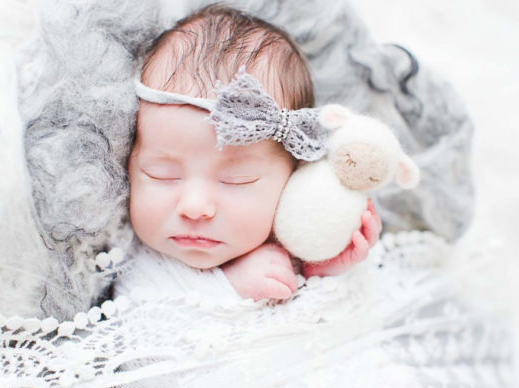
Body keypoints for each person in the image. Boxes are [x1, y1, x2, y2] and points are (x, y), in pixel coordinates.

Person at [114, 4, 382, 302]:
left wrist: (319, 270)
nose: (194, 206)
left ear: (294, 175)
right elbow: (138, 321)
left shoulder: (287, 238)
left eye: (236, 180)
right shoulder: (137, 257)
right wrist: (230, 287)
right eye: (161, 175)